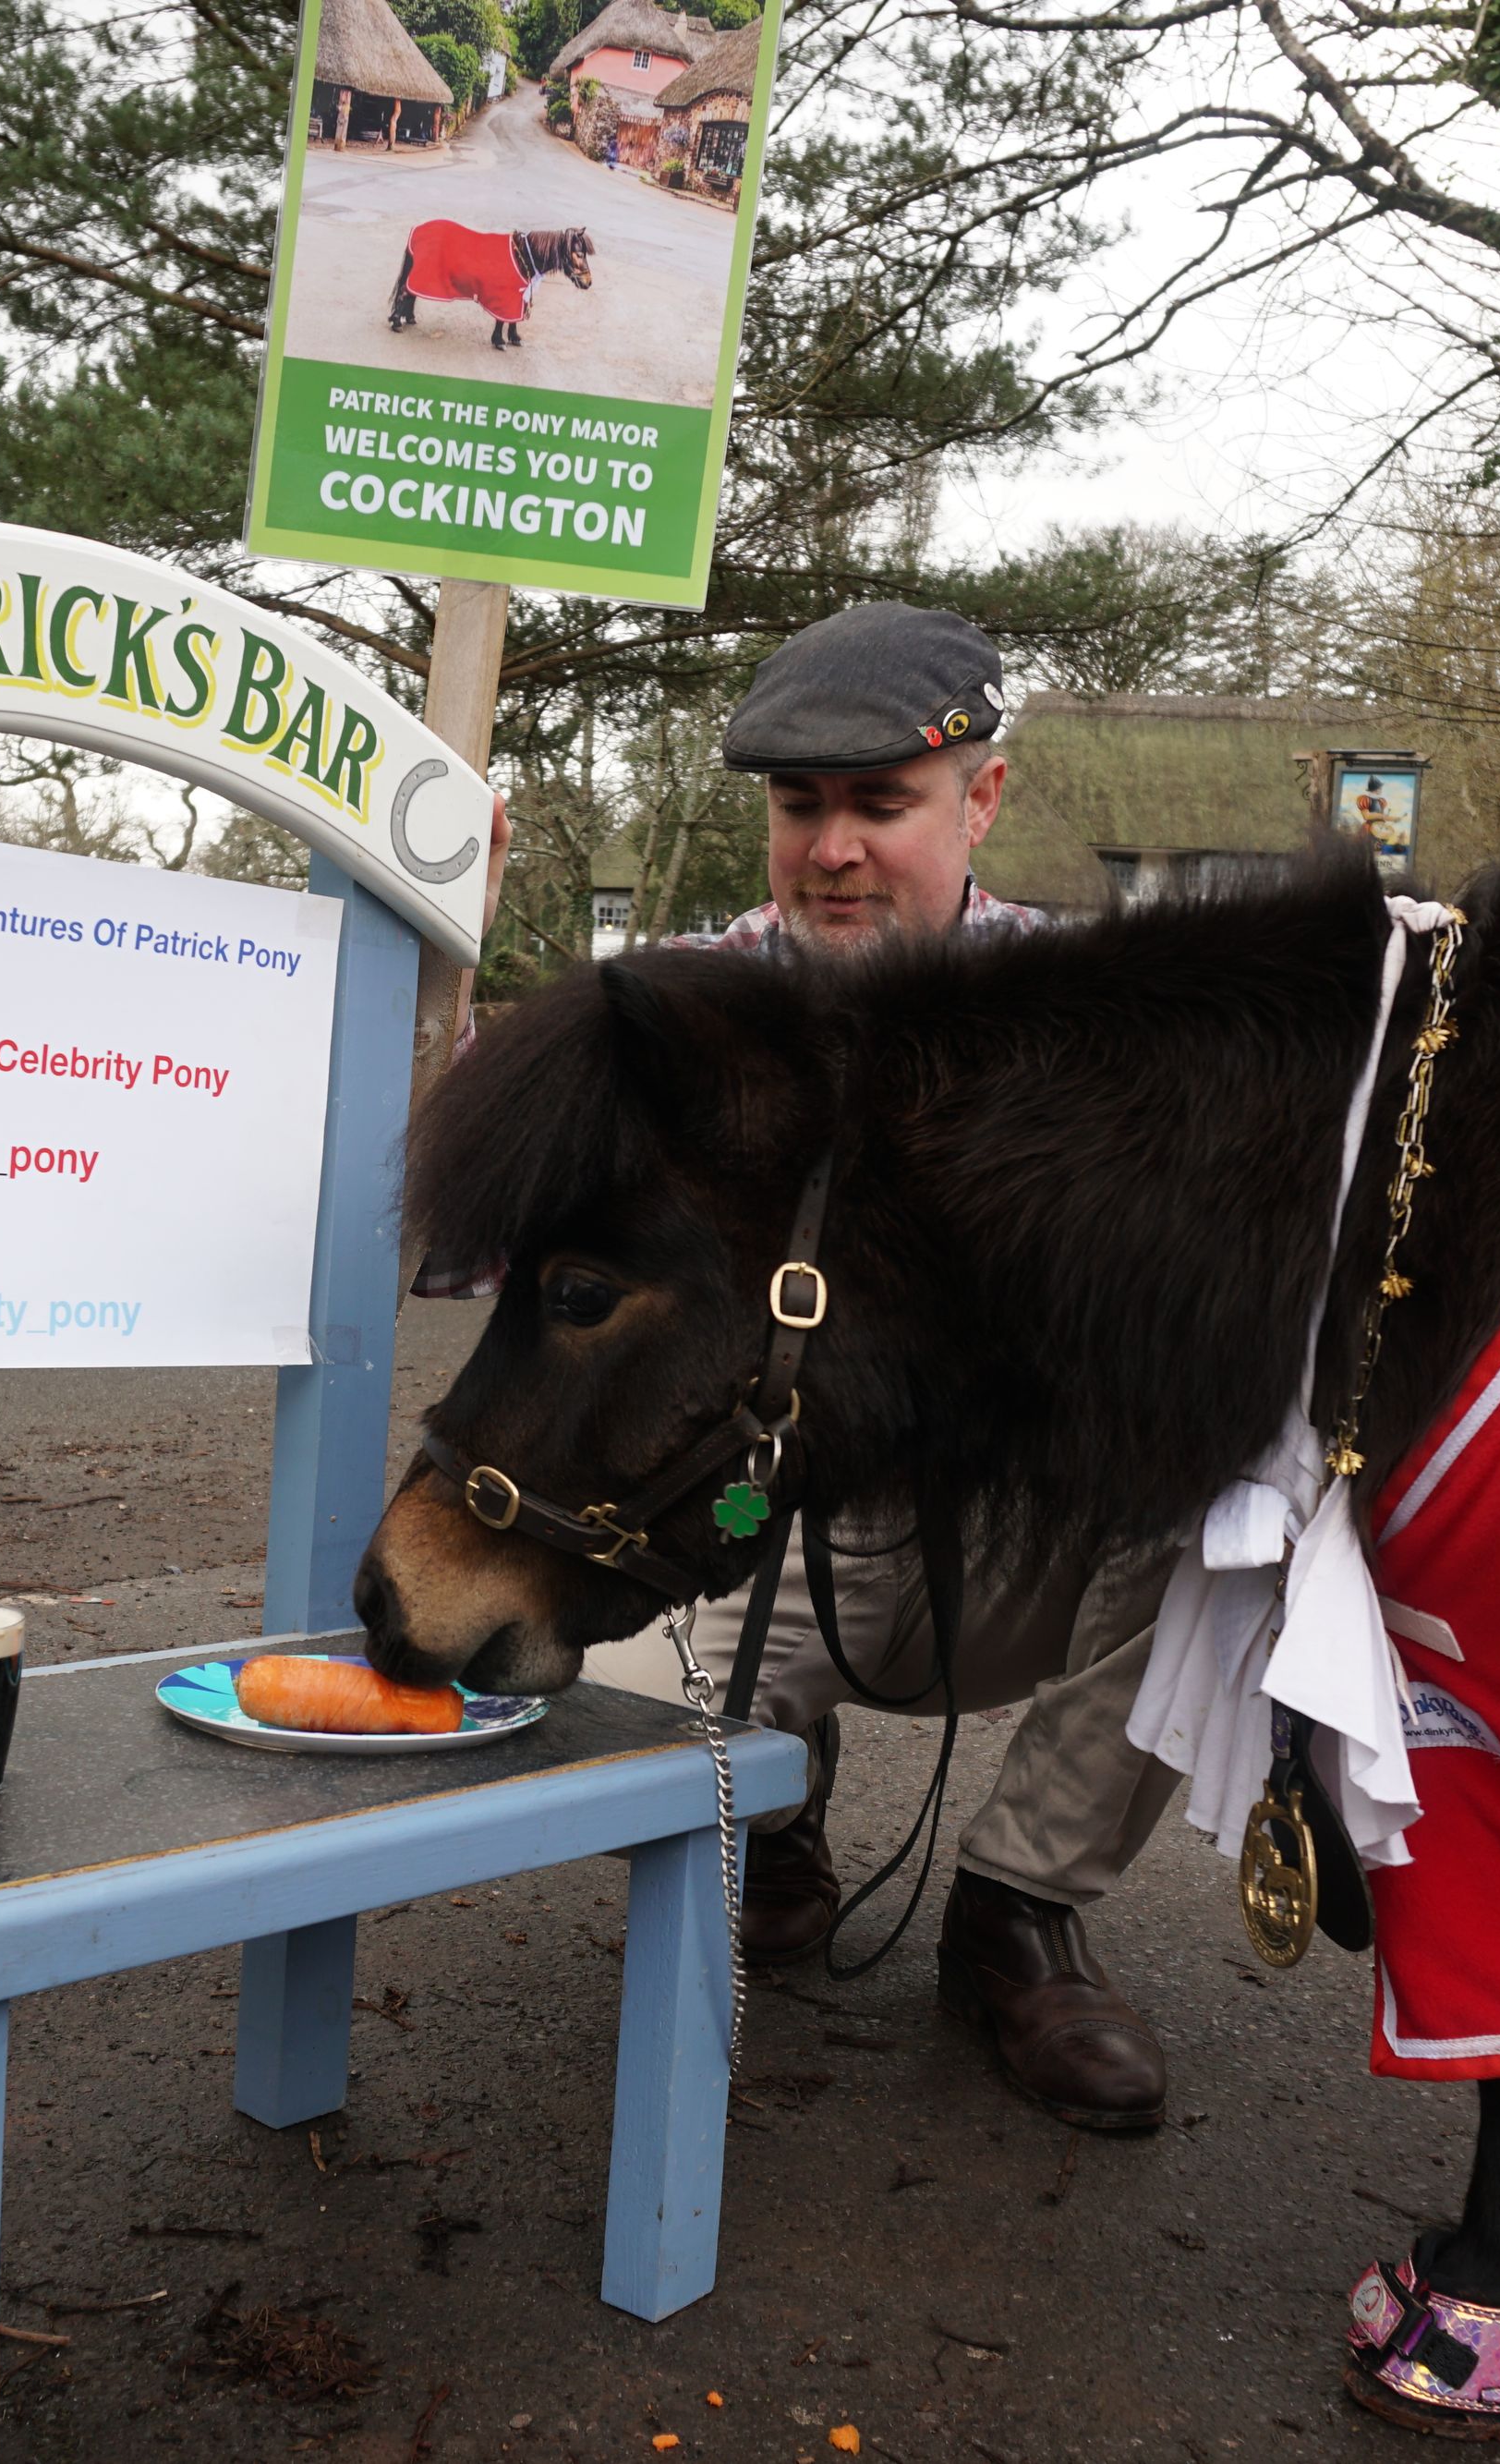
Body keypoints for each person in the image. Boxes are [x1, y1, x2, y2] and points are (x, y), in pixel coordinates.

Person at [446, 602, 1184, 2131]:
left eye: (880, 805)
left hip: (1009, 1551)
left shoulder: (1093, 1033)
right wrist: (445, 972)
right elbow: (455, 1250)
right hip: (753, 1555)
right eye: (800, 807)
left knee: (1232, 1517)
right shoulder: (677, 1013)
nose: (833, 849)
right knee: (585, 1705)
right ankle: (771, 1813)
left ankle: (1019, 1913)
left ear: (981, 802)